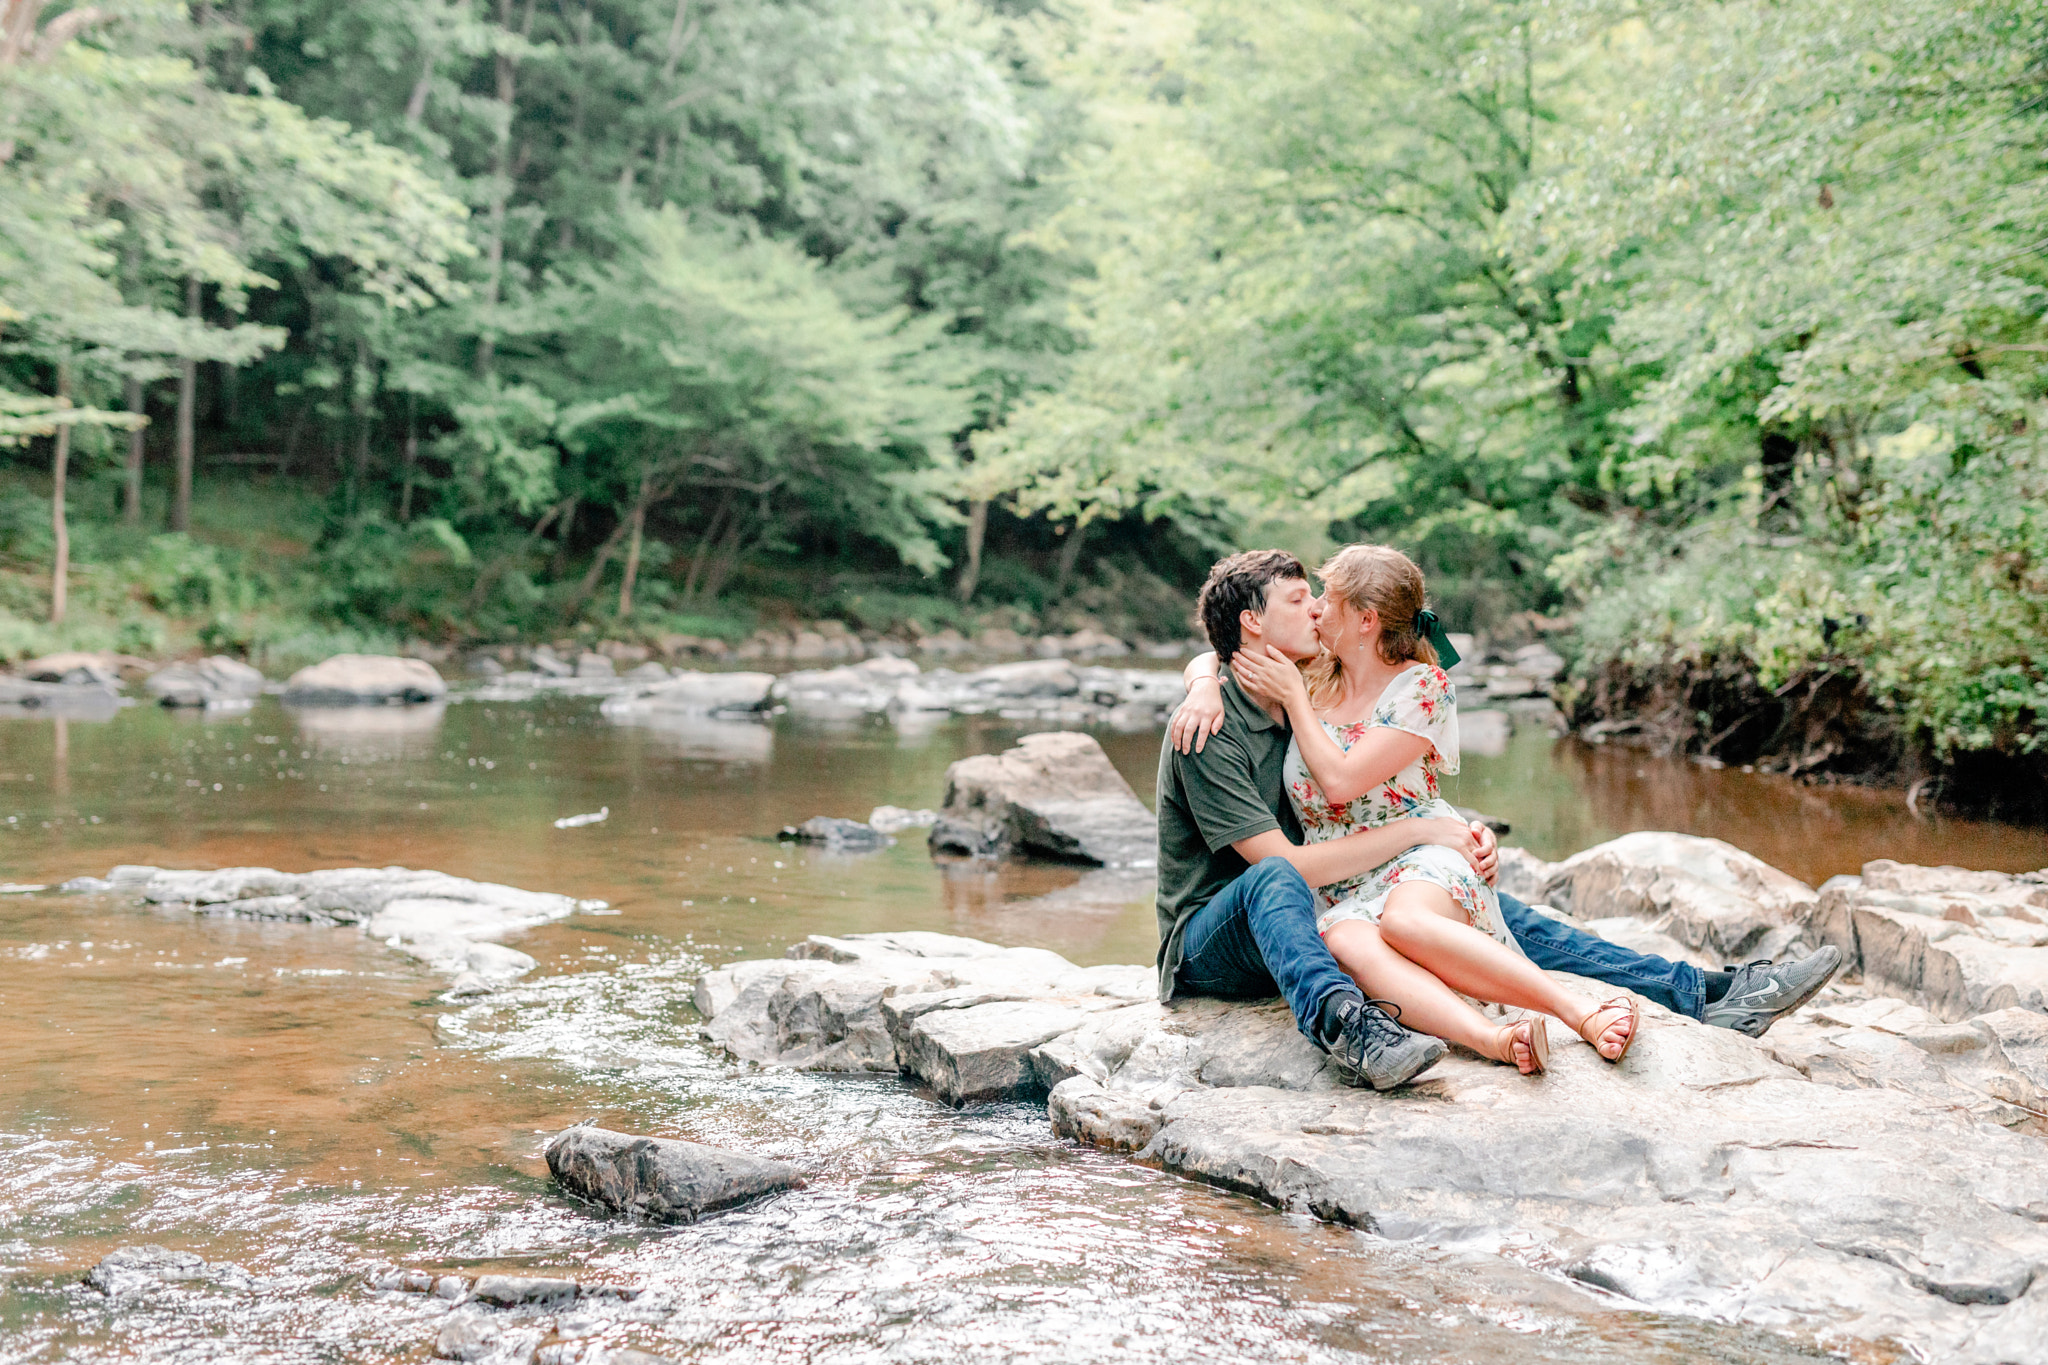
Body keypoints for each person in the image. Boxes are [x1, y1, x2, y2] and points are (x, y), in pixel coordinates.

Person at [1160, 549, 1841, 1088]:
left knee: (1506, 922)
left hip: (1356, 876)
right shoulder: (1243, 705)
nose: (1314, 612)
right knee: (1324, 896)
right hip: (1252, 912)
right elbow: (1220, 659)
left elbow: (1246, 674)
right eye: (1301, 601)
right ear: (1258, 623)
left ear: (1363, 618)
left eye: (1322, 599)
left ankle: (1704, 990)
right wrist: (1199, 681)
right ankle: (1354, 1024)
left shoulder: (1309, 680)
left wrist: (1444, 835)